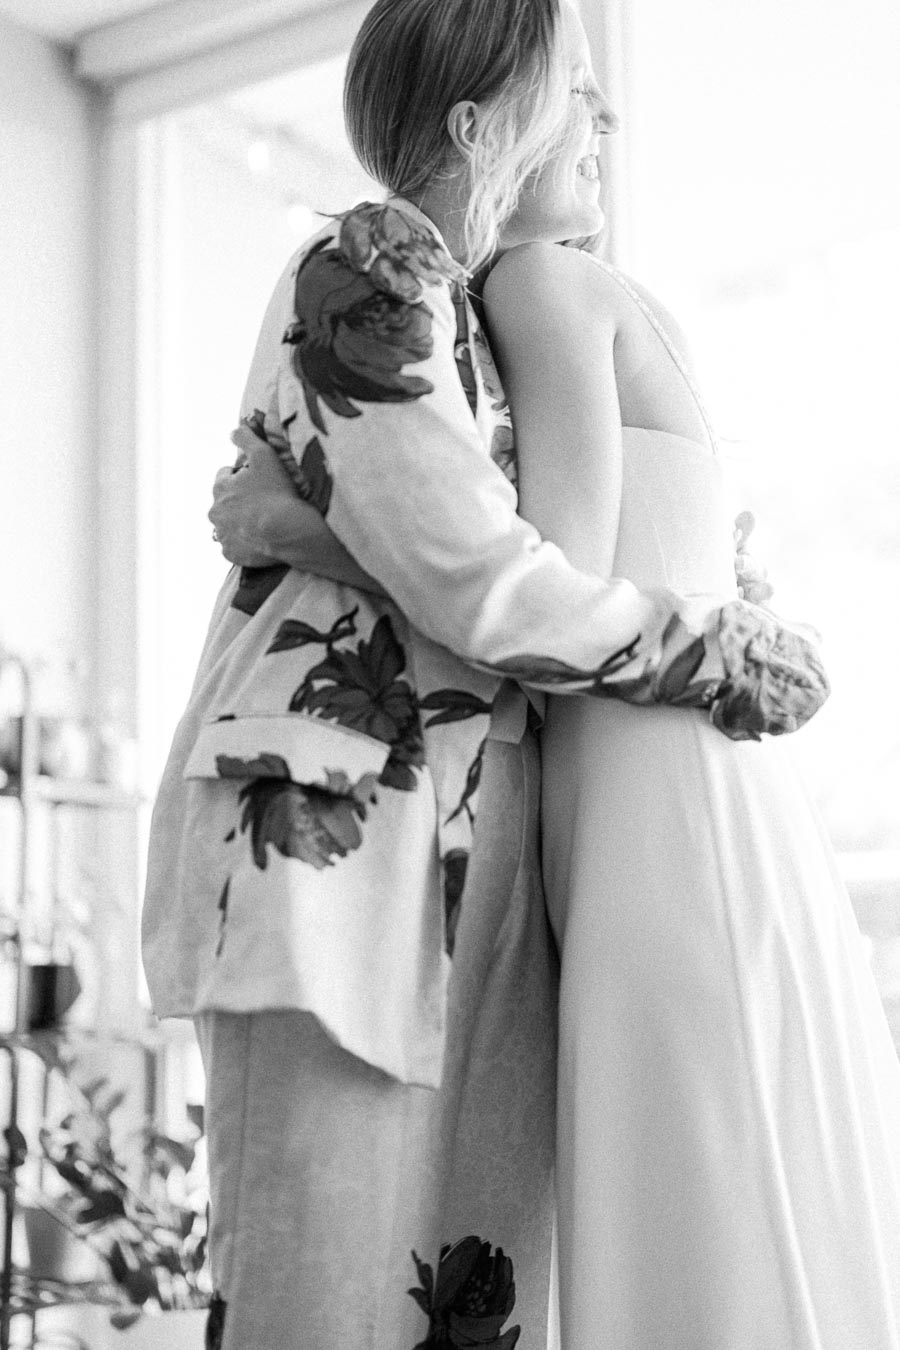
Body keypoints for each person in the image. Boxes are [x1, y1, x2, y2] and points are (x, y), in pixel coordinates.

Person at [145, 2, 827, 1347]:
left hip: (485, 859)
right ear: (480, 125)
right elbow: (484, 581)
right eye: (578, 93)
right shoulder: (368, 268)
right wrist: (711, 652)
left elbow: (468, 550)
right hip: (336, 869)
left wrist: (307, 526)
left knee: (473, 1307)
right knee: (318, 1305)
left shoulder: (485, 325)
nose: (605, 121)